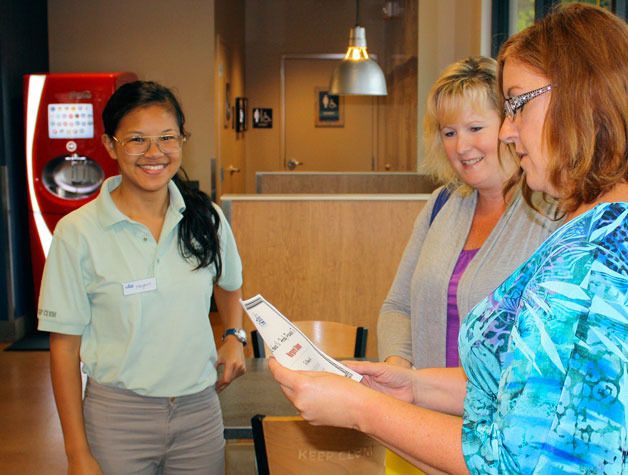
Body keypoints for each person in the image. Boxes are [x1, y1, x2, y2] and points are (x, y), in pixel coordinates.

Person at [269, 4, 627, 474]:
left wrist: (361, 408)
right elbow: (529, 393)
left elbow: (510, 460)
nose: (505, 130)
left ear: (580, 98)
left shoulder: (594, 260)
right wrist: (413, 386)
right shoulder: (593, 232)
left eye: (517, 104)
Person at [38, 81, 247, 474]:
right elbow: (63, 349)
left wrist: (234, 337)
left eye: (167, 137)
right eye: (137, 139)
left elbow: (229, 282)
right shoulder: (77, 233)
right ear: (111, 144)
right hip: (118, 419)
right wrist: (76, 453)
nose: (155, 153)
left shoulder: (207, 219)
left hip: (199, 413)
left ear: (183, 139)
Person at [378, 56, 560, 371]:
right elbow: (397, 307)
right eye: (449, 133)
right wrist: (398, 369)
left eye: (475, 128)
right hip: (423, 410)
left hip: (502, 416)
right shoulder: (440, 206)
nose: (461, 146)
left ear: (508, 126)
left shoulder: (550, 212)